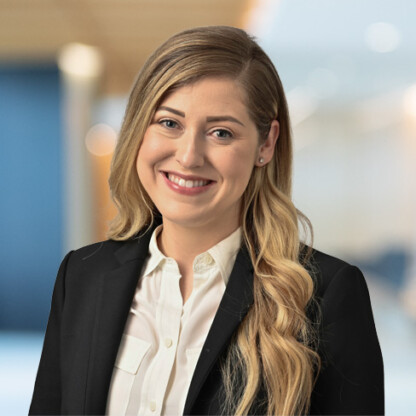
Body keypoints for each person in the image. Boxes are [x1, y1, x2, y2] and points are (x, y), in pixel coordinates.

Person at [29, 26, 384, 415]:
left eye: (221, 132)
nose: (188, 156)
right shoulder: (81, 277)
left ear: (265, 144)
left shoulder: (324, 296)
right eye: (169, 123)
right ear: (138, 131)